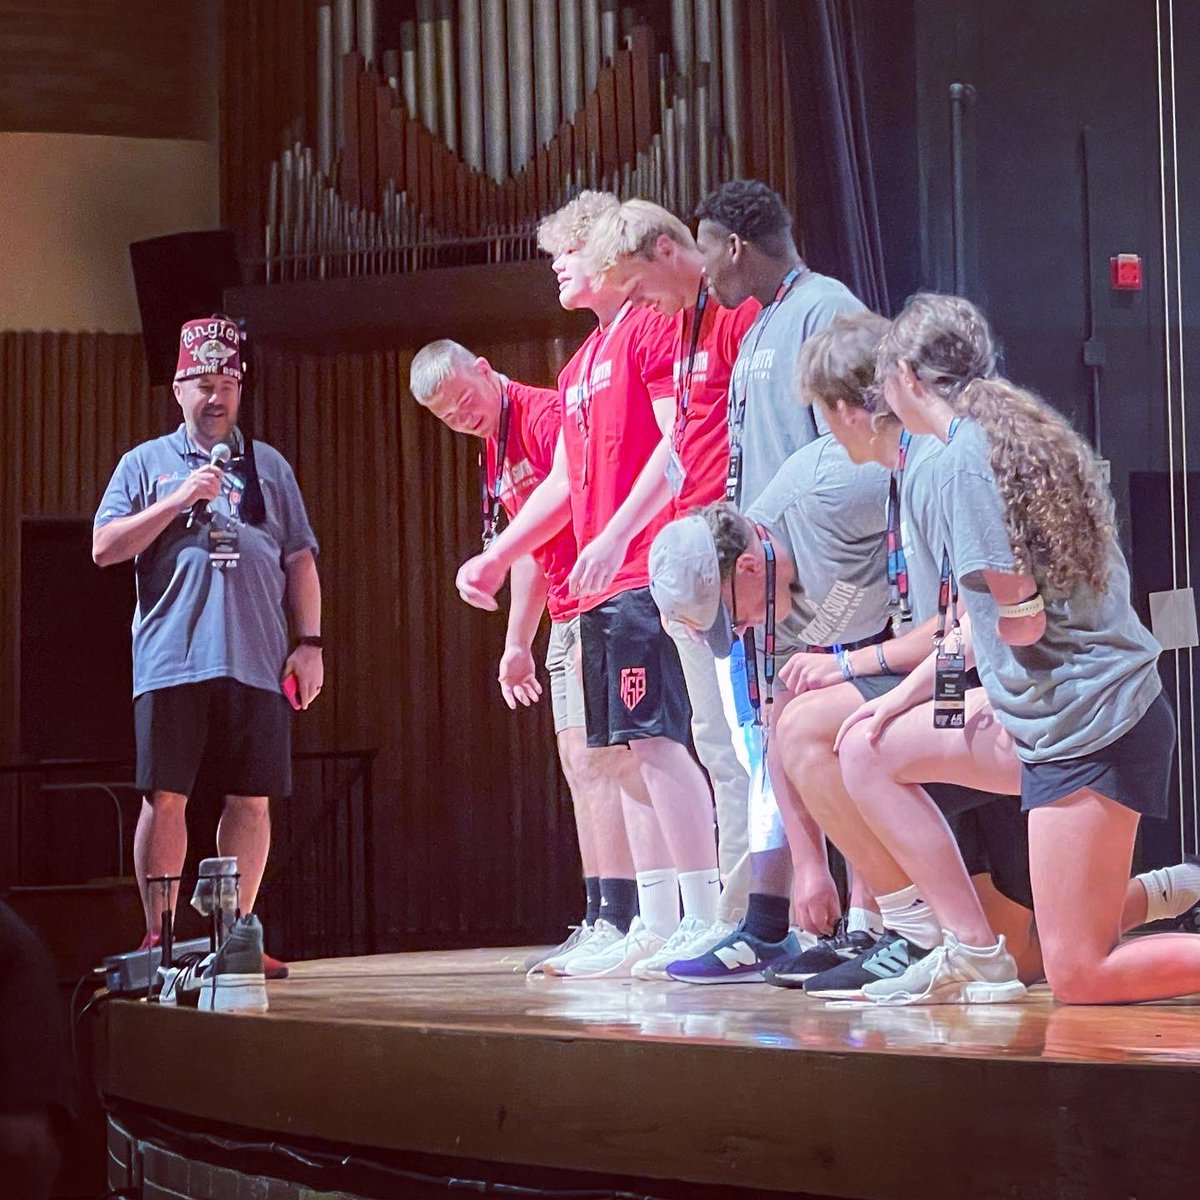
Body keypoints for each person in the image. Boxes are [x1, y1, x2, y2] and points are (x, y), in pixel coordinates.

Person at [841, 292, 1200, 1004]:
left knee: (1078, 974)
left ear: (909, 378)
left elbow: (1020, 619)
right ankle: (969, 948)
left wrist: (986, 690)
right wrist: (916, 701)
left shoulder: (960, 461)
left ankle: (976, 946)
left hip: (1089, 727)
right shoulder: (1010, 434)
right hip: (1062, 718)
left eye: (883, 382)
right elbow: (977, 627)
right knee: (867, 748)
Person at [457, 192, 720, 978]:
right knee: (622, 753)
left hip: (645, 568)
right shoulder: (580, 363)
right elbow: (568, 480)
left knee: (661, 744)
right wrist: (501, 554)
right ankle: (658, 916)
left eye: (565, 254)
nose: (557, 270)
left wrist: (612, 535)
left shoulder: (646, 330)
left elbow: (677, 442)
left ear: (603, 251)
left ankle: (706, 914)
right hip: (603, 580)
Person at [766, 312, 1041, 1000]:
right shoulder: (918, 464)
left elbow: (981, 627)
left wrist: (886, 687)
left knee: (844, 736)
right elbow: (960, 625)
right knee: (817, 726)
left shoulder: (942, 463)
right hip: (989, 680)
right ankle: (914, 932)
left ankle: (914, 933)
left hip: (1027, 699)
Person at [93, 314, 321, 981]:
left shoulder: (269, 466)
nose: (215, 396)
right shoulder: (145, 464)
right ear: (177, 389)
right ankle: (158, 936)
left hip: (257, 659)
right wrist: (177, 502)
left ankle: (235, 936)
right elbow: (105, 548)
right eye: (202, 383)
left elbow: (301, 558)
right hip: (173, 660)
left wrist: (309, 644)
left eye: (227, 382)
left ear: (240, 389)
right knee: (165, 796)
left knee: (251, 799)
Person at [574, 196, 759, 973]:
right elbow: (680, 451)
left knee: (753, 748)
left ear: (665, 250)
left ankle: (767, 916)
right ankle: (729, 915)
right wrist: (618, 533)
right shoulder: (679, 328)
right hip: (687, 567)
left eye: (638, 284)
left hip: (743, 566)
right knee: (716, 745)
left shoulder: (741, 317)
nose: (638, 303)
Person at [408, 340, 636, 969]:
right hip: (562, 611)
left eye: (466, 400)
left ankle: (629, 916)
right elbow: (535, 548)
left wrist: (492, 557)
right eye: (449, 417)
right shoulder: (494, 446)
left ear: (485, 369)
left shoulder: (542, 413)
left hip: (599, 602)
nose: (464, 417)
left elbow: (563, 499)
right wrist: (515, 645)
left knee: (609, 761)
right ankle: (600, 912)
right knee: (576, 762)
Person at [648, 418, 894, 981]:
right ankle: (866, 927)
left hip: (952, 641)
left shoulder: (837, 493)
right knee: (802, 725)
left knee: (844, 728)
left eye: (731, 617)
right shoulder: (766, 600)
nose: (736, 633)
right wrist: (810, 868)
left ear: (752, 567)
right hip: (890, 653)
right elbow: (776, 726)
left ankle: (892, 924)